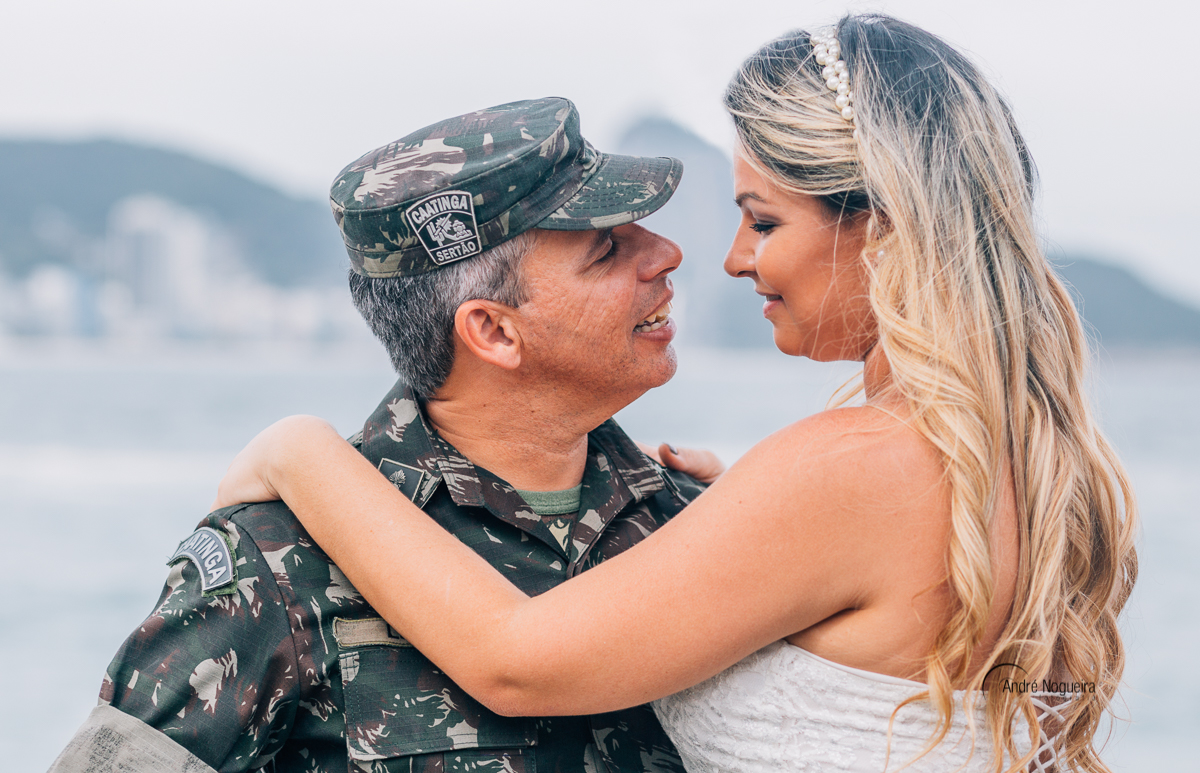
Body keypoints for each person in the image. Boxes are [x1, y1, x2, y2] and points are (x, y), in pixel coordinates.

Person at [211, 14, 1139, 773]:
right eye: (607, 245)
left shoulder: (853, 471)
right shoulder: (1021, 460)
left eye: (763, 219)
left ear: (884, 227)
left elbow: (513, 661)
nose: (728, 258)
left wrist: (302, 451)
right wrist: (757, 523)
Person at [48, 97, 718, 773]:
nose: (665, 253)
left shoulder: (702, 520)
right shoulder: (278, 560)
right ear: (493, 330)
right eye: (607, 248)